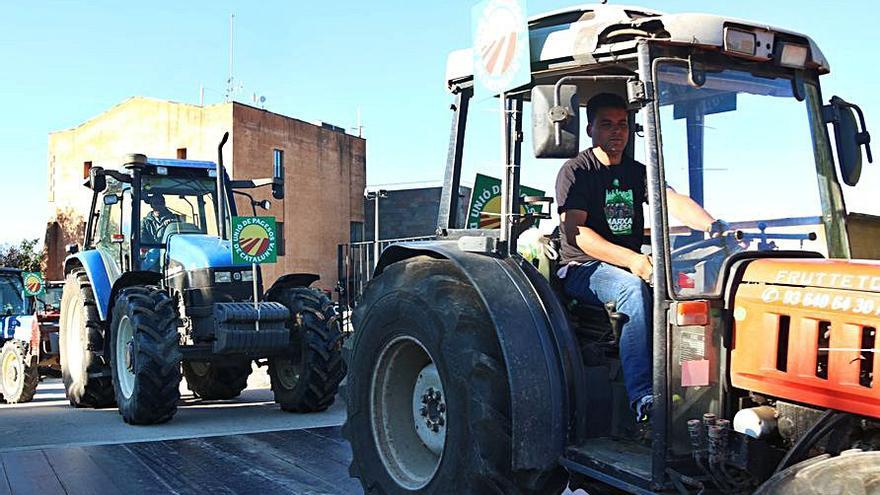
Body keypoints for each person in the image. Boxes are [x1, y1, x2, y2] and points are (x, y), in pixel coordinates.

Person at [555, 93, 726, 421]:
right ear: (590, 129)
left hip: (628, 260)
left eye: (623, 125)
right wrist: (633, 261)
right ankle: (644, 398)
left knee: (696, 281)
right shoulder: (576, 171)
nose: (616, 132)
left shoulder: (636, 172)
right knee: (630, 288)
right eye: (607, 125)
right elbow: (577, 232)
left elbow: (672, 200)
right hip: (581, 267)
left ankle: (697, 387)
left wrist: (714, 226)